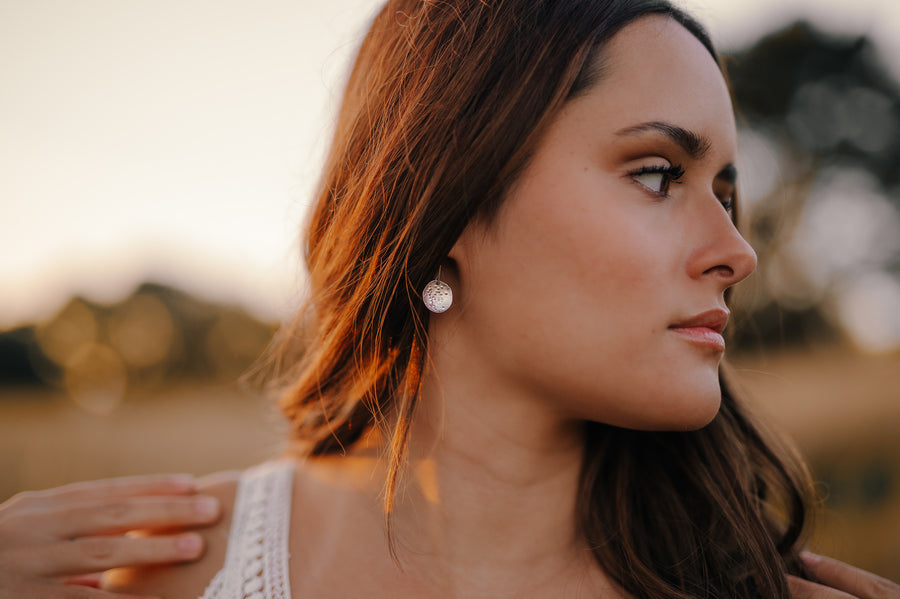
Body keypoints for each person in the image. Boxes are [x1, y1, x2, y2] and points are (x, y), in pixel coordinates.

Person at [2, 0, 898, 597]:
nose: (737, 251)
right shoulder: (165, 571)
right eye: (660, 173)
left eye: (727, 192)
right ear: (452, 200)